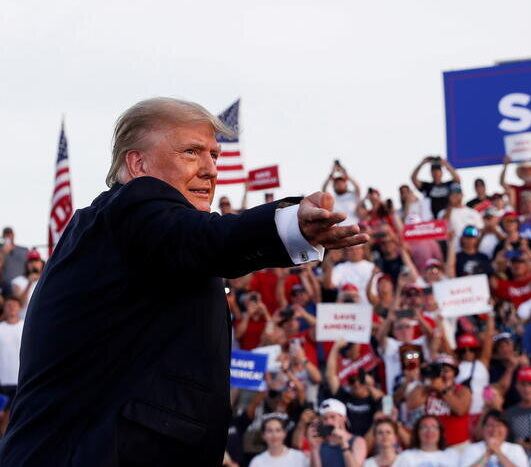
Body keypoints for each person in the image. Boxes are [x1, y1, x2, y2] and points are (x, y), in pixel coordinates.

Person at [0, 98, 367, 466]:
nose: (210, 170)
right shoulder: (133, 205)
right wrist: (291, 226)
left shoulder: (122, 235)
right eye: (191, 152)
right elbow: (205, 239)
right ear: (138, 163)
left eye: (214, 155)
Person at [406, 354, 472, 448]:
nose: (442, 375)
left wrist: (442, 389)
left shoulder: (462, 390)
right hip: (433, 447)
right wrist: (424, 379)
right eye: (439, 371)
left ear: (454, 373)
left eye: (446, 371)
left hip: (458, 446)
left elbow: (460, 410)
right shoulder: (427, 389)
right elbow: (411, 404)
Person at [309, 398, 367, 467]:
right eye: (325, 419)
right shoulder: (320, 445)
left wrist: (344, 445)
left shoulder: (358, 441)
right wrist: (315, 449)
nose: (328, 422)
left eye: (333, 417)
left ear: (343, 418)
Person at [458, 409, 528, 467]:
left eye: (499, 425)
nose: (494, 430)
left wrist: (498, 452)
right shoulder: (472, 449)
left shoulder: (516, 449)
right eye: (490, 425)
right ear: (483, 429)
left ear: (506, 429)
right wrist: (487, 454)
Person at [393, 415, 458, 467]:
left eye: (434, 428)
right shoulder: (407, 456)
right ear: (417, 433)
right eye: (424, 428)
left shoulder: (451, 455)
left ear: (440, 432)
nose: (429, 432)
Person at [0, 297, 23, 436]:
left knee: (19, 417)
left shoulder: (26, 326)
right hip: (3, 381)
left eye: (15, 305)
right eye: (8, 305)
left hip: (21, 380)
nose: (12, 308)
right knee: (3, 419)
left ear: (20, 308)